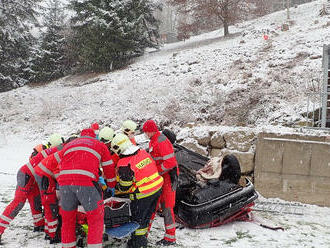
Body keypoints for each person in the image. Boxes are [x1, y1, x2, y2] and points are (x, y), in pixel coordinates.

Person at [56, 128, 116, 248]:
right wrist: (111, 185)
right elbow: (109, 167)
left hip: (64, 184)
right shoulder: (99, 145)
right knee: (96, 218)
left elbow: (60, 164)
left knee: (68, 220)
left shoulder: (69, 145)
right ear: (94, 136)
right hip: (85, 183)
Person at [0, 133, 65, 243]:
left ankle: (38, 224)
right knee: (18, 203)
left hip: (33, 177)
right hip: (26, 175)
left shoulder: (51, 150)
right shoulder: (56, 152)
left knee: (35, 201)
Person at [111, 133, 163, 248]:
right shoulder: (142, 152)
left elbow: (125, 187)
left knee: (137, 221)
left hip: (143, 195)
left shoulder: (124, 163)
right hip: (157, 189)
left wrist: (115, 189)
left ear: (118, 148)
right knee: (146, 218)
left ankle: (137, 243)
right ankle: (142, 240)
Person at [34, 136, 78, 244]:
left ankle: (49, 233)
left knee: (50, 203)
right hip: (45, 175)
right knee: (50, 203)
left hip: (44, 173)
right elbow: (58, 171)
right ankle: (53, 236)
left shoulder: (65, 151)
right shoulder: (66, 153)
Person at [142, 120, 179, 246]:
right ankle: (143, 234)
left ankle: (170, 238)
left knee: (167, 207)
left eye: (146, 132)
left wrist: (156, 172)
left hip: (168, 177)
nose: (145, 134)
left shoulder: (161, 140)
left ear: (150, 130)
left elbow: (170, 163)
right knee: (154, 205)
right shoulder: (154, 139)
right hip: (161, 178)